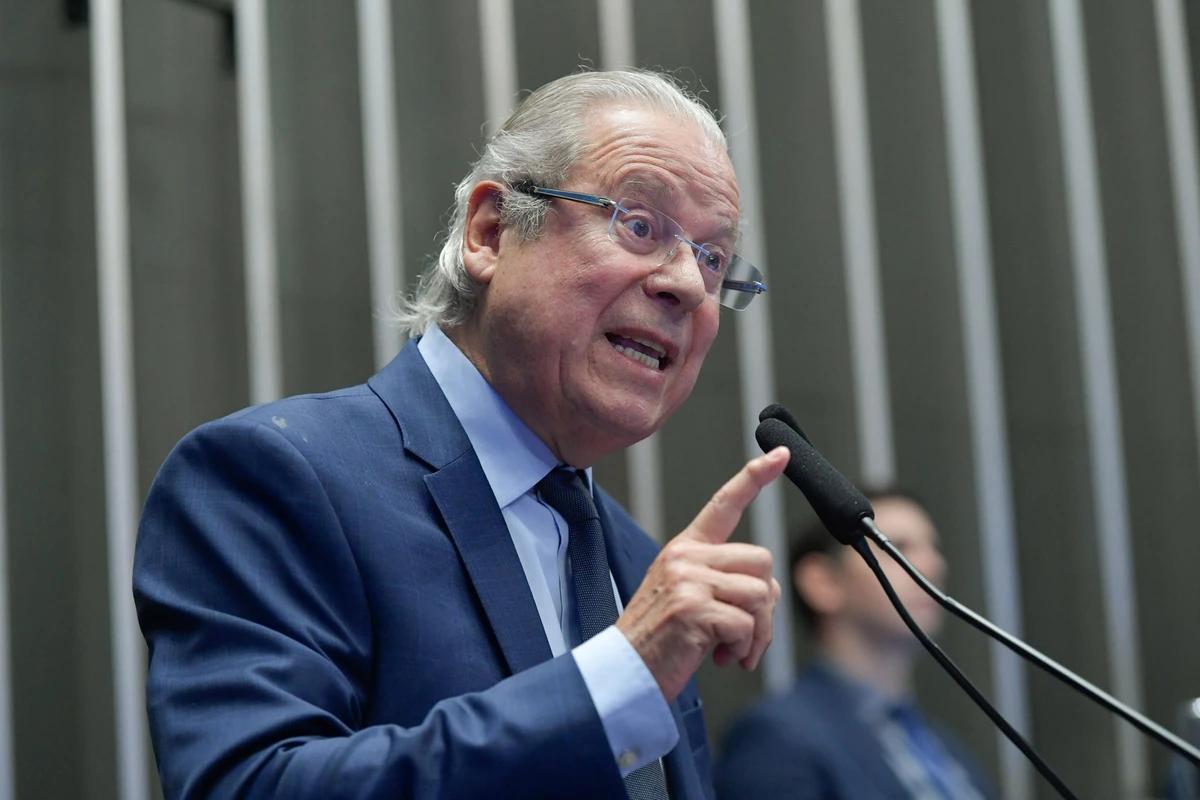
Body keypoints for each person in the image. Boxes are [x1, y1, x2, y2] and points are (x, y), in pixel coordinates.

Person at [134, 69, 789, 800]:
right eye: (639, 224)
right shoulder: (275, 477)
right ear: (490, 230)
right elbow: (251, 786)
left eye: (712, 257)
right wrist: (617, 679)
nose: (689, 286)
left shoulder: (638, 563)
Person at [715, 489, 994, 799]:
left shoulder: (943, 745)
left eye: (933, 549)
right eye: (898, 548)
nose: (933, 566)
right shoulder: (775, 738)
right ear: (823, 582)